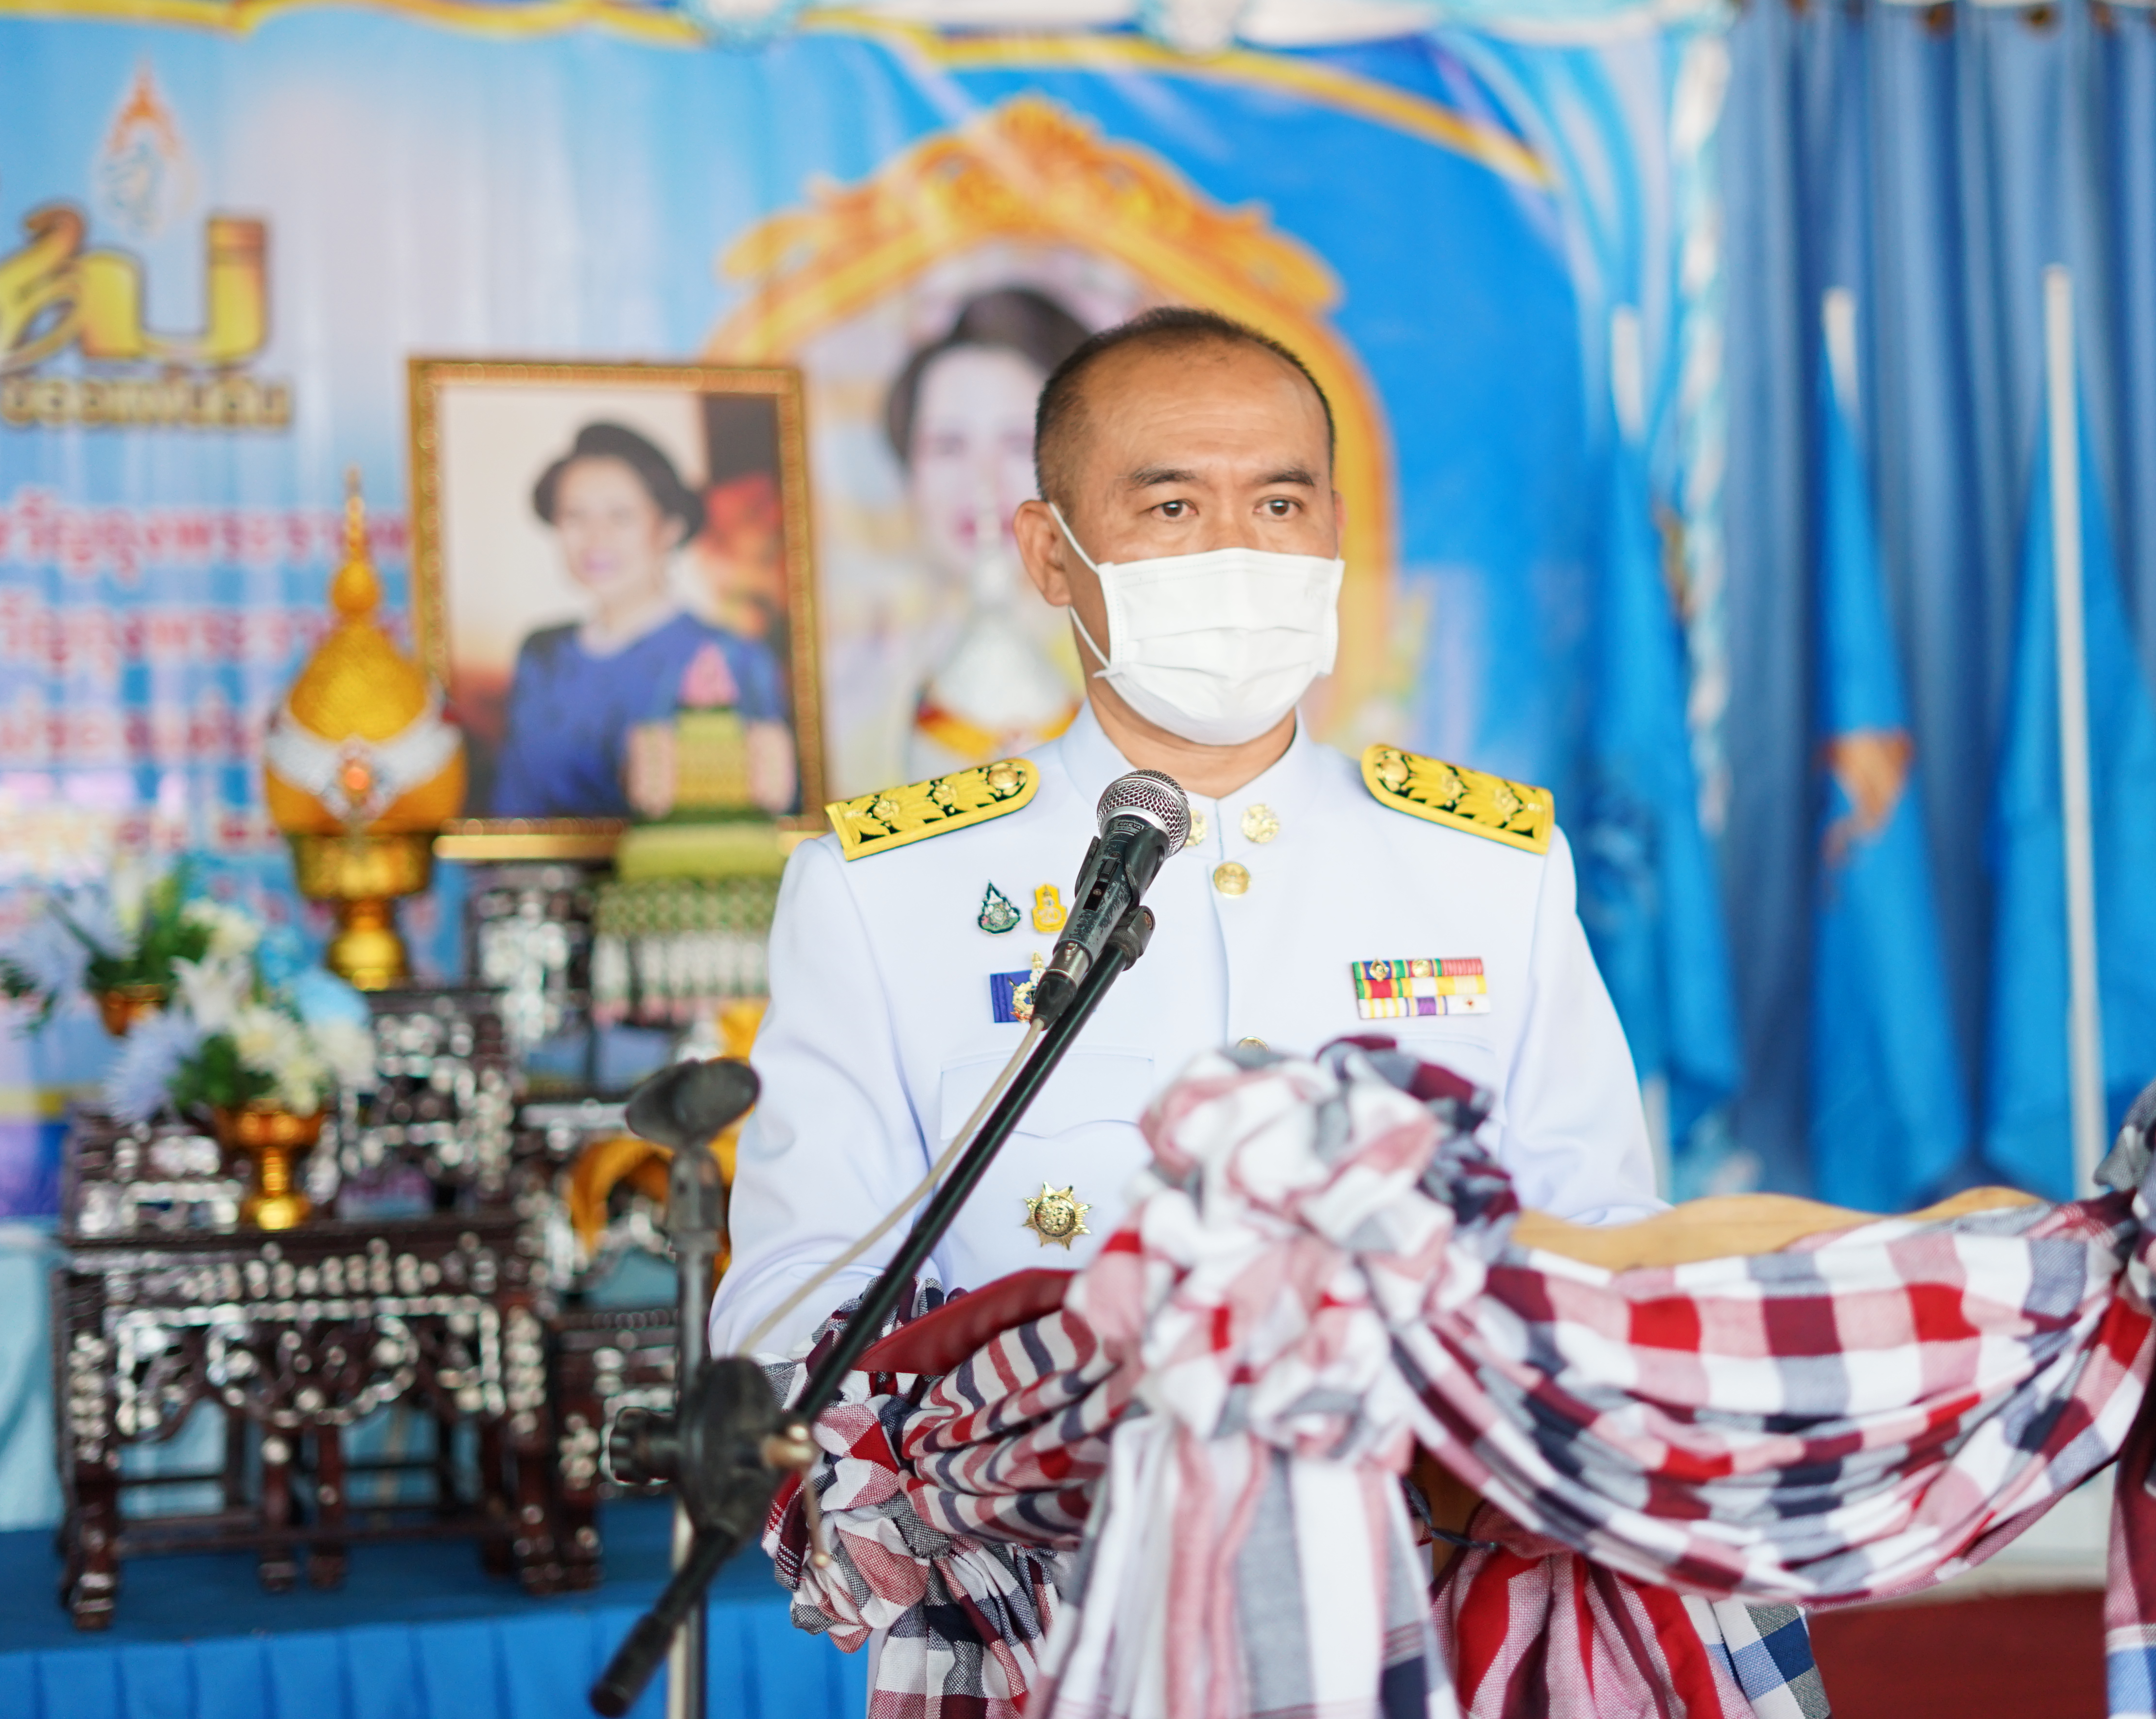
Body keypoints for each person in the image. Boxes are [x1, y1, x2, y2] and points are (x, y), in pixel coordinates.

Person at [715, 307, 1662, 1364]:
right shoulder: (880, 893)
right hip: (1033, 1515)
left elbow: (1604, 1255)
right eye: (1172, 504)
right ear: (1050, 554)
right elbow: (793, 1311)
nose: (1236, 549)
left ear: (1334, 532)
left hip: (1427, 1517)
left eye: (1279, 501)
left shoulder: (1491, 872)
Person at [490, 418, 794, 819]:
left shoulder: (734, 657)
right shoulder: (542, 653)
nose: (596, 538)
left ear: (669, 528)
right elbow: (512, 805)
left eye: (621, 516)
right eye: (575, 517)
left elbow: (776, 810)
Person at [882, 286, 1093, 776]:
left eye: (1019, 443)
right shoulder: (863, 685)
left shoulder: (1137, 665)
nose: (982, 483)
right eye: (948, 445)